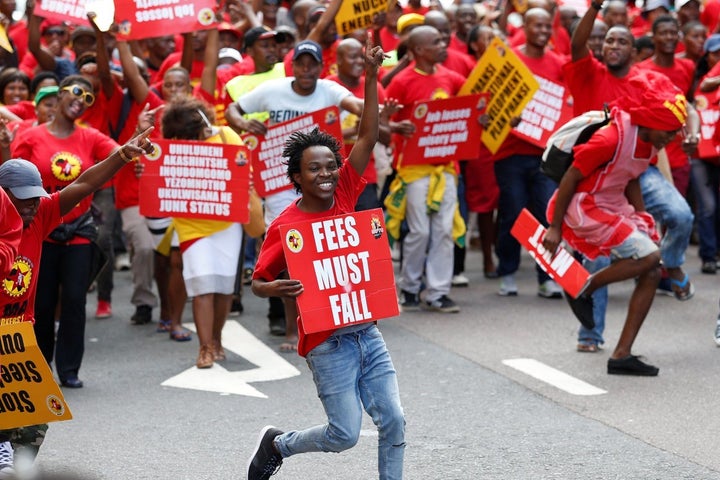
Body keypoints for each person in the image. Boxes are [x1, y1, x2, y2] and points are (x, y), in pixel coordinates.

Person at [246, 39, 405, 480]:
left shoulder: (347, 194)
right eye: (314, 169)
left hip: (366, 332)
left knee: (394, 420)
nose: (326, 174)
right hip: (326, 342)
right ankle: (278, 444)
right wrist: (274, 288)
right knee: (344, 435)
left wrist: (371, 76)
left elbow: (369, 134)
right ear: (296, 177)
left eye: (331, 166)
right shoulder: (285, 225)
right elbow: (258, 281)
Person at [0, 131, 153, 475]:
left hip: (19, 341)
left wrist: (122, 155)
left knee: (34, 423)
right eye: (21, 198)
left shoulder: (40, 217)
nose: (30, 204)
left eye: (35, 197)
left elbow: (83, 184)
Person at [562, 3, 697, 352]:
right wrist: (593, 8)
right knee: (600, 256)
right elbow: (577, 45)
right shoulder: (588, 71)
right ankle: (590, 334)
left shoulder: (647, 81)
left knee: (681, 215)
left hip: (639, 171)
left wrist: (691, 133)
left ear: (634, 52)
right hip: (594, 177)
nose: (613, 47)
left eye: (621, 42)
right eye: (608, 41)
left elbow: (685, 107)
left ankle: (673, 264)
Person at [542, 72, 688, 376]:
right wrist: (555, 228)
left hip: (613, 204)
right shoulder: (611, 137)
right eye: (670, 131)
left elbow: (632, 176)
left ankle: (622, 355)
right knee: (649, 256)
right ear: (652, 121)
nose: (671, 138)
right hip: (586, 206)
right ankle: (584, 288)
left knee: (650, 271)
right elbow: (571, 177)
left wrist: (642, 216)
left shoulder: (650, 140)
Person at [6, 75, 121, 388]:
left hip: (77, 229)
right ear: (59, 94)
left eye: (89, 96)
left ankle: (69, 369)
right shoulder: (31, 137)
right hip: (40, 231)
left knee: (73, 300)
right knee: (41, 303)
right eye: (76, 91)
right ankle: (39, 367)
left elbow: (107, 163)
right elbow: (13, 182)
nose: (81, 99)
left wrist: (131, 152)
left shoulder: (91, 137)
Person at [384, 25, 467, 313]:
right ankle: (409, 287)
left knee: (444, 229)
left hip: (446, 167)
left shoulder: (452, 78)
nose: (444, 44)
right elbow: (380, 119)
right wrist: (395, 127)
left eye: (443, 39)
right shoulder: (402, 82)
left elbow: (470, 109)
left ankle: (438, 292)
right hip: (414, 170)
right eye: (436, 42)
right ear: (418, 50)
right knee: (419, 231)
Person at [161, 96, 244, 369]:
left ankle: (217, 340)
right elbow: (155, 171)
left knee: (223, 289)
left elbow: (245, 172)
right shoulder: (173, 143)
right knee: (201, 285)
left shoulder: (226, 136)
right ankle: (205, 348)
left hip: (226, 224)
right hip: (191, 225)